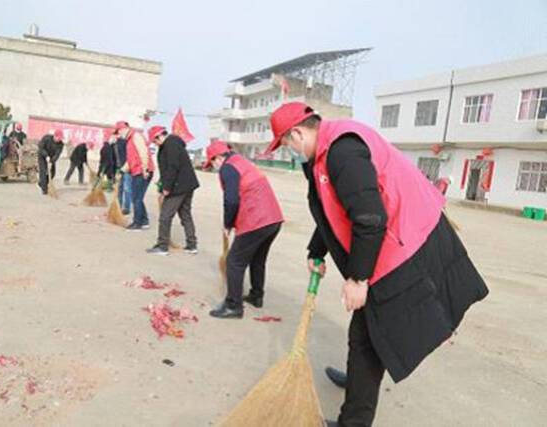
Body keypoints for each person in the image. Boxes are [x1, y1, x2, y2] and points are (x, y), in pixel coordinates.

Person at [265, 102, 489, 426]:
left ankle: (355, 415)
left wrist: (358, 280)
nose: (289, 150)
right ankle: (359, 385)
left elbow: (369, 218)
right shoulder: (327, 151)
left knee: (369, 336)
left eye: (286, 143)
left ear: (297, 133)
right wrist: (317, 251)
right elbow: (333, 211)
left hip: (406, 246)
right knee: (366, 336)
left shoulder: (342, 151)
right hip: (392, 242)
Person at [204, 140, 284, 319]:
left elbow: (231, 200)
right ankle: (256, 296)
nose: (215, 167)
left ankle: (234, 305)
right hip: (273, 218)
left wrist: (227, 224)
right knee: (257, 259)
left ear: (217, 158)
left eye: (213, 163)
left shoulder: (228, 167)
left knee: (234, 261)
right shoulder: (242, 161)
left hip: (256, 220)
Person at [146, 126, 200, 255]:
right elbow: (167, 169)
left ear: (159, 136)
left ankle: (162, 246)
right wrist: (161, 184)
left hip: (178, 186)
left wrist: (166, 188)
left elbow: (172, 167)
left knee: (165, 216)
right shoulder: (172, 144)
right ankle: (191, 245)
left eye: (155, 140)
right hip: (187, 185)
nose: (155, 143)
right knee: (185, 215)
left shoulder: (171, 144)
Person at [118, 121, 154, 231]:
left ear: (124, 129)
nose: (119, 135)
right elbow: (130, 160)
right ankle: (144, 221)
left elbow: (143, 152)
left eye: (119, 131)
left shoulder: (136, 136)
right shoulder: (129, 140)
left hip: (142, 171)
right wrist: (121, 171)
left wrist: (145, 169)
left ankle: (137, 223)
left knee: (136, 198)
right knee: (137, 197)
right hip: (136, 171)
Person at [111, 123, 131, 214]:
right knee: (119, 187)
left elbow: (128, 156)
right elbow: (114, 159)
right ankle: (117, 206)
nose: (115, 135)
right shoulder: (113, 145)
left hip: (126, 168)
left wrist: (125, 168)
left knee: (127, 188)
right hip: (119, 168)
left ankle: (126, 208)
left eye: (116, 133)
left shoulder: (124, 142)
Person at [37, 129, 65, 195]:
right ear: (55, 136)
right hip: (42, 156)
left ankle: (41, 183)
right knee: (43, 172)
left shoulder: (61, 144)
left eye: (61, 138)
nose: (60, 139)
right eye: (59, 138)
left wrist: (52, 161)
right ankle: (44, 190)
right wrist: (46, 156)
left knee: (52, 173)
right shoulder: (46, 138)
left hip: (52, 158)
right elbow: (41, 148)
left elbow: (57, 154)